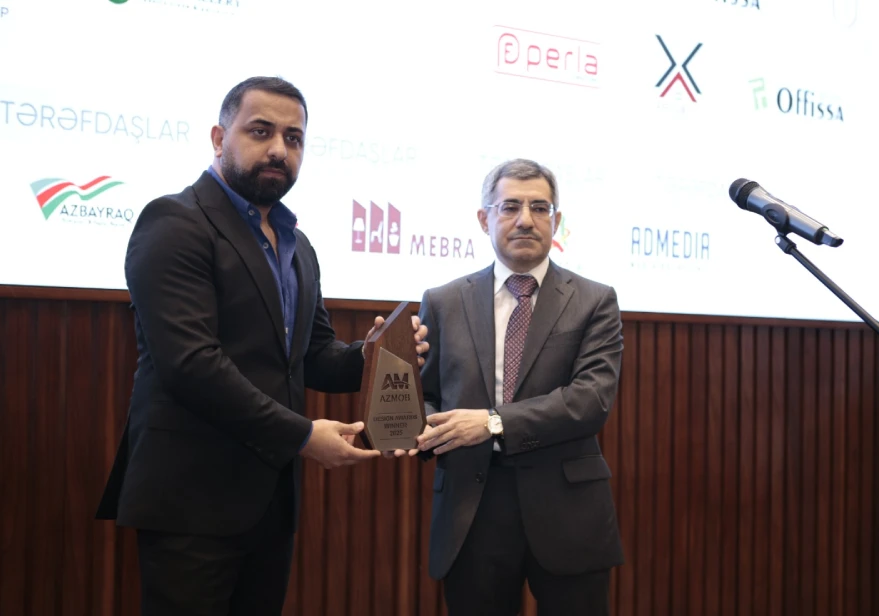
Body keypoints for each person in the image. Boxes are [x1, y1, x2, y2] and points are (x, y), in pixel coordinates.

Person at [95, 76, 427, 616]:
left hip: (270, 502)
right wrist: (303, 436)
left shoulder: (298, 245)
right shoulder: (174, 222)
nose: (278, 149)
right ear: (217, 137)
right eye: (260, 131)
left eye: (293, 138)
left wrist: (376, 357)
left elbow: (313, 357)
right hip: (191, 501)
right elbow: (190, 364)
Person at [411, 159, 624, 615]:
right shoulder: (443, 301)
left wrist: (492, 423)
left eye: (539, 208)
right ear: (484, 219)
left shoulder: (595, 300)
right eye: (510, 207)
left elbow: (590, 400)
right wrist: (414, 427)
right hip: (472, 508)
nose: (526, 219)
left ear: (556, 221)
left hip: (568, 509)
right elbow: (425, 396)